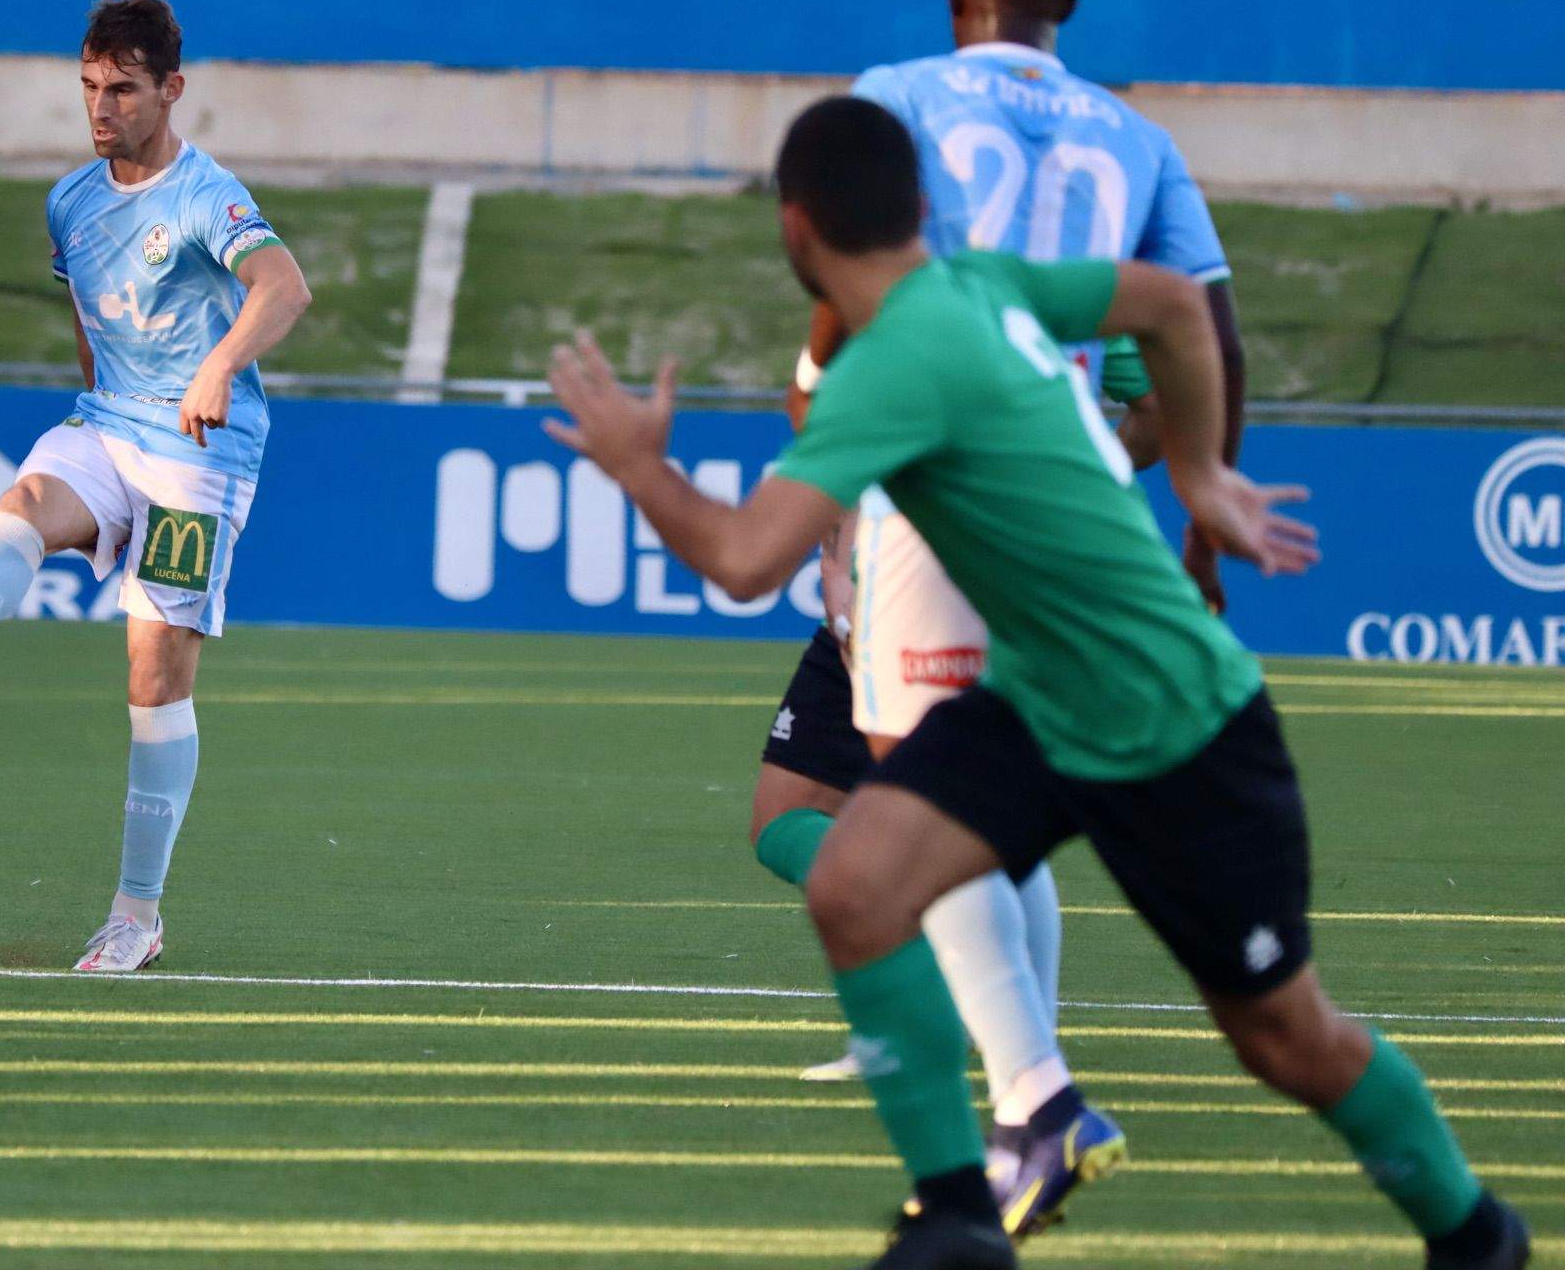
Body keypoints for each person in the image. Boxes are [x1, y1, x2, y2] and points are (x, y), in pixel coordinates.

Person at [547, 95, 1528, 1270]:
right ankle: (960, 1213)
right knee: (855, 882)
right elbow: (1171, 302)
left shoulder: (892, 367)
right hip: (1039, 699)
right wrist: (1203, 473)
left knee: (1287, 1039)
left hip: (1175, 718)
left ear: (794, 230)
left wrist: (639, 466)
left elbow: (747, 558)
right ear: (920, 207)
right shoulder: (987, 280)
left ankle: (1477, 1235)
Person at [754, 0, 1241, 1237]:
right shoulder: (1137, 138)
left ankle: (1036, 1098)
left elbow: (855, 248)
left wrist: (816, 394)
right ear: (1063, 7)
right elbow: (1203, 319)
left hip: (940, 461)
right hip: (1058, 479)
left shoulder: (902, 93)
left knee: (929, 781)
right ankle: (1030, 1092)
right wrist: (1202, 507)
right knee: (996, 797)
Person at [0, 0, 313, 974]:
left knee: (154, 679)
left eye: (123, 89)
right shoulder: (70, 201)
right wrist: (99, 407)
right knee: (22, 504)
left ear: (170, 90)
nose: (101, 108)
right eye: (89, 87)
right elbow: (89, 324)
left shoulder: (205, 194)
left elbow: (285, 286)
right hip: (110, 423)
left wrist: (218, 365)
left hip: (200, 454)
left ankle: (136, 917)